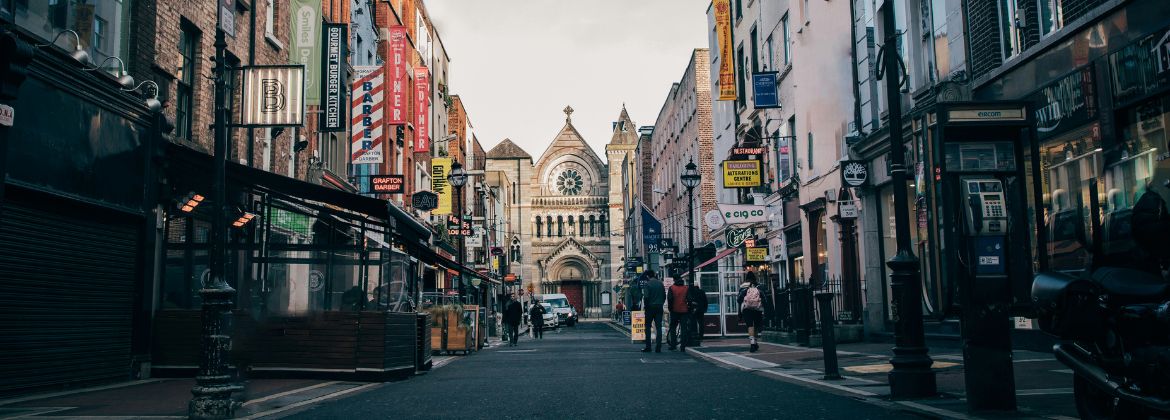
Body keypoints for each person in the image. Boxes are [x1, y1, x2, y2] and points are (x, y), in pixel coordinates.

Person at [738, 270, 767, 352]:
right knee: (756, 326)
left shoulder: (743, 287)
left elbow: (739, 300)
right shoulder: (759, 287)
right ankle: (756, 342)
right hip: (757, 309)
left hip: (747, 309)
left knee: (750, 325)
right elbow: (765, 298)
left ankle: (752, 343)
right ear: (755, 278)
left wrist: (739, 314)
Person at [640, 270, 666, 353]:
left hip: (650, 307)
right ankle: (658, 347)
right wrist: (660, 303)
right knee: (658, 327)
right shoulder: (660, 283)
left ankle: (648, 347)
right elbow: (664, 296)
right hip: (659, 307)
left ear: (648, 276)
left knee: (647, 327)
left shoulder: (647, 284)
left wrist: (646, 307)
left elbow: (646, 297)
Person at [666, 276, 690, 351]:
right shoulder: (686, 288)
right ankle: (683, 346)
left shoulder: (672, 288)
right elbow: (689, 299)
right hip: (684, 310)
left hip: (674, 310)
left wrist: (670, 309)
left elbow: (670, 299)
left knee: (673, 328)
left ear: (674, 280)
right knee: (684, 328)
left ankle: (673, 345)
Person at [687, 275, 708, 347]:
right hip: (701, 309)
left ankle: (694, 335)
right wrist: (705, 309)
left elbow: (690, 300)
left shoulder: (692, 292)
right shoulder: (702, 292)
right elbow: (705, 301)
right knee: (701, 323)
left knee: (694, 322)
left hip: (694, 309)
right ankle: (701, 336)